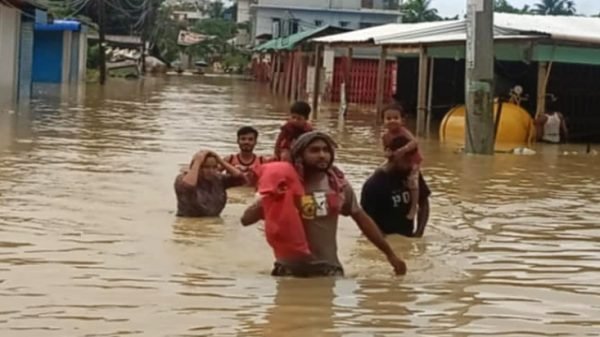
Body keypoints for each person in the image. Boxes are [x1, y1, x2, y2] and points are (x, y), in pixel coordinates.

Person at [242, 131, 407, 277]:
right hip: (288, 272)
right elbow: (246, 219)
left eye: (326, 150)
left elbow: (362, 219)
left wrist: (390, 255)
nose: (322, 155)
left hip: (327, 270)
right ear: (299, 155)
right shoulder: (285, 187)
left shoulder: (338, 187)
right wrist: (272, 198)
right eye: (314, 150)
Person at [361, 136, 431, 238]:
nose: (410, 165)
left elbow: (424, 203)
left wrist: (418, 234)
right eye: (406, 160)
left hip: (407, 236)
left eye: (411, 161)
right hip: (382, 238)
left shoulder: (412, 174)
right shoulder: (374, 184)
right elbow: (366, 221)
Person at [381, 104, 423, 220]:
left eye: (396, 118)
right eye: (388, 118)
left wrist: (403, 150)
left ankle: (414, 207)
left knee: (412, 181)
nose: (392, 121)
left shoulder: (404, 132)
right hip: (397, 160)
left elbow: (415, 143)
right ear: (383, 121)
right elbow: (386, 150)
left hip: (412, 160)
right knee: (380, 171)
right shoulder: (385, 136)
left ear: (402, 120)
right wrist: (388, 155)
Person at [174, 150, 244, 217]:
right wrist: (197, 161)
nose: (211, 171)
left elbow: (241, 179)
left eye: (214, 167)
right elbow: (187, 187)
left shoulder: (219, 179)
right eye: (206, 167)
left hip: (214, 221)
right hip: (188, 223)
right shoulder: (182, 179)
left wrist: (220, 160)